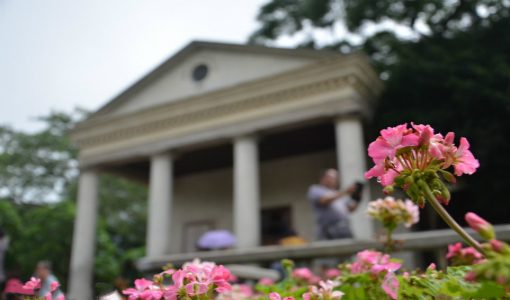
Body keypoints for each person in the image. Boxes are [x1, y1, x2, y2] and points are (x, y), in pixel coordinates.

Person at [308, 169, 359, 241]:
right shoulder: (315, 189)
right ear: (322, 178)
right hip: (328, 230)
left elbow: (350, 209)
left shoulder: (338, 193)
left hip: (344, 228)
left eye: (336, 178)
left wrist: (358, 199)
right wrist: (345, 191)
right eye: (331, 177)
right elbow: (324, 200)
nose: (335, 180)